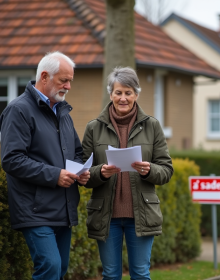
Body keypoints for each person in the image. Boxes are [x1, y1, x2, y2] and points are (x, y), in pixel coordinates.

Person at [0, 51, 90, 280]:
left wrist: (80, 172)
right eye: (63, 80)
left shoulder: (63, 112)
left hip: (63, 208)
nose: (68, 86)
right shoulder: (18, 110)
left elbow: (76, 152)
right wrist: (55, 175)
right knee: (49, 267)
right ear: (45, 76)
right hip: (35, 210)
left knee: (59, 270)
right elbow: (12, 159)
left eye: (70, 80)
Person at [82, 66, 173, 280]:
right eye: (118, 92)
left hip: (141, 214)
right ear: (110, 94)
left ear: (136, 94)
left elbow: (166, 170)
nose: (123, 98)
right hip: (106, 215)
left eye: (128, 92)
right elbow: (82, 174)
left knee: (140, 274)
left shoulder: (152, 126)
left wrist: (149, 170)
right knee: (111, 275)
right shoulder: (93, 128)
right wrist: (101, 173)